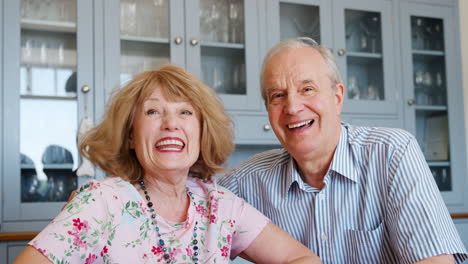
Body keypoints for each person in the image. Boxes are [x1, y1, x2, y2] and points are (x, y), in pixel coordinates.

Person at [14, 64, 321, 264]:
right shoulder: (102, 202)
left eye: (186, 113)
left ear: (202, 133)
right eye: (152, 112)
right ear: (131, 136)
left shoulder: (221, 206)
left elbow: (301, 259)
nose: (171, 124)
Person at [218, 37, 468, 263]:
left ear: (337, 98)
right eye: (278, 96)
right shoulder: (246, 181)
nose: (292, 107)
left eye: (307, 89)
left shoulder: (391, 153)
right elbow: (187, 205)